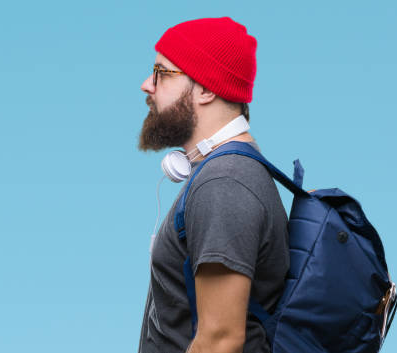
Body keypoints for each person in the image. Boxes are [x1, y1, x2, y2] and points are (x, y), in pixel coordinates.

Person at [137, 17, 290, 353]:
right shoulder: (224, 175)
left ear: (205, 88)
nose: (147, 84)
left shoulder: (225, 183)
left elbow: (221, 340)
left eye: (162, 72)